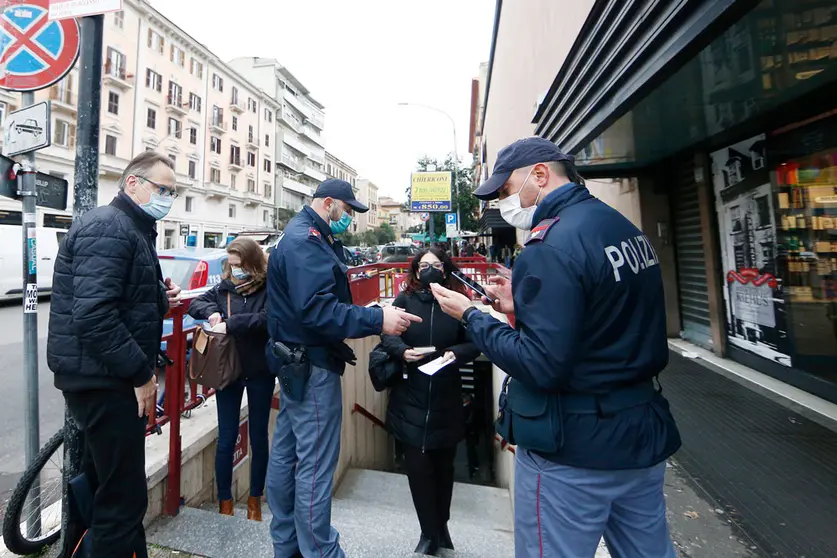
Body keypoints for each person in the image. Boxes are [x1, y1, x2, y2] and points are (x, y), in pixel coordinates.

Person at [430, 137, 681, 558]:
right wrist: (523, 302)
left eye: (506, 191)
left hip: (574, 450)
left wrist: (472, 316)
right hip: (638, 437)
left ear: (540, 175)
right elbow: (604, 312)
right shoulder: (619, 227)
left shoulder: (549, 246)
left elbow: (541, 363)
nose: (503, 205)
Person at [265, 178, 421, 558]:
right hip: (312, 366)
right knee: (315, 468)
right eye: (348, 210)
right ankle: (320, 551)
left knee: (287, 457)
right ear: (329, 203)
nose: (349, 218)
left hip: (295, 363)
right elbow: (318, 310)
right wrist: (377, 320)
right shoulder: (307, 242)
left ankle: (287, 545)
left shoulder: (302, 234)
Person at [47, 151, 182, 558]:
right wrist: (141, 375)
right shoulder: (109, 226)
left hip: (105, 377)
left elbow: (122, 297)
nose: (168, 198)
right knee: (122, 499)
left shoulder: (132, 228)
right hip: (106, 381)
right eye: (163, 189)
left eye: (173, 192)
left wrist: (160, 297)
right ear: (132, 183)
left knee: (104, 486)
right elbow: (94, 316)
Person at [380, 248, 480, 556]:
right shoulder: (404, 301)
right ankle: (428, 533)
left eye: (436, 265)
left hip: (447, 398)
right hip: (410, 397)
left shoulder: (458, 305)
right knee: (419, 470)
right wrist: (401, 351)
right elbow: (388, 334)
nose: (430, 270)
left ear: (446, 269)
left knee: (443, 469)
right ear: (414, 270)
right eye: (423, 266)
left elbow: (476, 341)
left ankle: (441, 527)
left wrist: (457, 354)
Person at [188, 237, 272, 521]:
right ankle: (225, 500)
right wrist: (211, 313)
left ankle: (254, 501)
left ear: (252, 264)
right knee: (227, 437)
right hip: (229, 371)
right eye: (231, 265)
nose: (234, 270)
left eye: (239, 265)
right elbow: (195, 303)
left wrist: (230, 324)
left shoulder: (270, 287)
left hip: (260, 369)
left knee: (259, 438)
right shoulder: (224, 288)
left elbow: (268, 319)